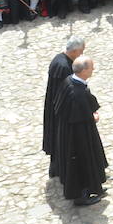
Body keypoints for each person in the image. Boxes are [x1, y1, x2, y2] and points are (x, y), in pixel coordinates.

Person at [51, 55, 108, 205]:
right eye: (91, 67)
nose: (93, 69)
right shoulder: (77, 93)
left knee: (88, 159)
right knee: (81, 163)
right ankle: (82, 195)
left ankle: (93, 186)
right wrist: (92, 117)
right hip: (78, 138)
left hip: (74, 132)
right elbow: (79, 115)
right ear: (83, 71)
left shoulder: (68, 81)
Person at [43, 37, 85, 173]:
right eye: (81, 51)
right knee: (62, 140)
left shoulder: (59, 60)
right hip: (61, 111)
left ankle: (56, 169)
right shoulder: (64, 67)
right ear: (75, 51)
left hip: (56, 107)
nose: (81, 55)